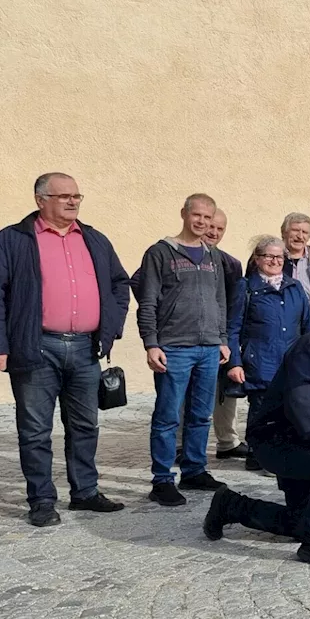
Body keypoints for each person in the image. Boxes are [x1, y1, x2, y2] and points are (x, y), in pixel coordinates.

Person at [0, 172, 131, 527]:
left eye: (77, 196)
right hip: (35, 348)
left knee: (85, 425)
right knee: (34, 429)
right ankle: (42, 500)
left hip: (86, 349)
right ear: (40, 200)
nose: (73, 202)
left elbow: (120, 284)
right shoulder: (12, 240)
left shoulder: (94, 239)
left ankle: (85, 492)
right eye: (64, 196)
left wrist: (111, 326)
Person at [203, 296, 310, 569]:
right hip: (277, 439)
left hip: (303, 438)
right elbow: (303, 396)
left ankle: (230, 506)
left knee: (300, 522)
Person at [137, 193, 230, 506]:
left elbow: (220, 301)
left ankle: (194, 470)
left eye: (208, 217)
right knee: (167, 417)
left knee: (201, 415)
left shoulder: (212, 256)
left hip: (208, 349)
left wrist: (222, 339)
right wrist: (151, 343)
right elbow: (147, 300)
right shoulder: (160, 252)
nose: (202, 222)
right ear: (184, 214)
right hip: (173, 347)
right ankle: (162, 479)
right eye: (197, 216)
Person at [224, 236, 310, 472]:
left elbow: (308, 329)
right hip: (260, 361)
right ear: (257, 258)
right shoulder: (246, 288)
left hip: (291, 362)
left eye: (279, 256)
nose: (274, 261)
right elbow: (232, 328)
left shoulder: (295, 288)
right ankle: (257, 455)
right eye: (269, 256)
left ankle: (282, 453)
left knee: (289, 409)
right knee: (261, 410)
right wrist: (234, 363)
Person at [207, 209, 252, 464]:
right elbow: (140, 282)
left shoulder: (231, 264)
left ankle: (228, 441)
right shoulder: (173, 254)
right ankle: (180, 445)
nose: (213, 232)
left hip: (224, 336)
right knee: (188, 395)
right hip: (188, 337)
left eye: (219, 229)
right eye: (210, 226)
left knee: (227, 391)